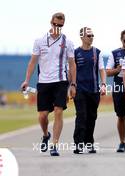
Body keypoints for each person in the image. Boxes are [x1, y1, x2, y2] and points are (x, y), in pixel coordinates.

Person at [20, 12, 76, 156]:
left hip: (60, 81)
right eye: (55, 24)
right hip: (43, 82)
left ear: (63, 25)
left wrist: (73, 84)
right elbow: (33, 62)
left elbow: (72, 64)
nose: (57, 27)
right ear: (51, 22)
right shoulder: (39, 41)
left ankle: (55, 145)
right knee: (43, 116)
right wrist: (26, 80)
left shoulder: (68, 42)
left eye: (60, 25)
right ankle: (46, 135)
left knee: (58, 111)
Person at [73, 27, 106, 154]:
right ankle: (79, 144)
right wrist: (71, 86)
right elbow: (71, 71)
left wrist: (103, 84)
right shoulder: (75, 53)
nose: (91, 37)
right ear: (82, 37)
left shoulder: (97, 52)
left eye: (92, 35)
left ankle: (89, 143)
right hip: (80, 90)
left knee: (92, 117)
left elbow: (102, 70)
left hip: (93, 91)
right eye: (89, 36)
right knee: (81, 116)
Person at [106, 29, 125, 152]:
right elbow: (107, 72)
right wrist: (118, 70)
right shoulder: (115, 53)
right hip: (119, 87)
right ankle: (122, 142)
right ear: (121, 40)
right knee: (121, 116)